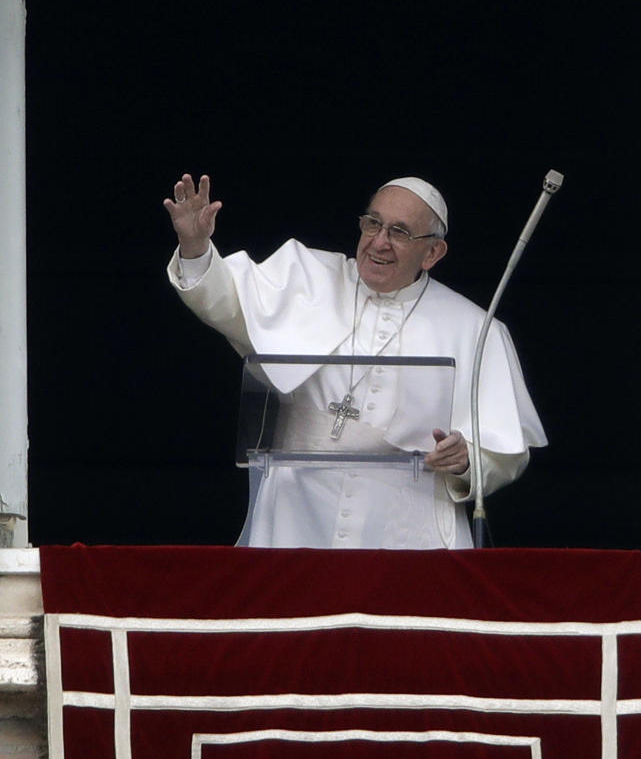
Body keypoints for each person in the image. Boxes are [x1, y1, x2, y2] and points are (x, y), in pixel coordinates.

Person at [165, 172, 546, 548]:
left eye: (399, 232)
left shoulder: (475, 329)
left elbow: (504, 451)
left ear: (433, 252)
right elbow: (227, 302)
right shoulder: (308, 277)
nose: (379, 242)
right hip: (296, 515)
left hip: (408, 529)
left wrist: (466, 460)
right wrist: (196, 247)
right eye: (372, 224)